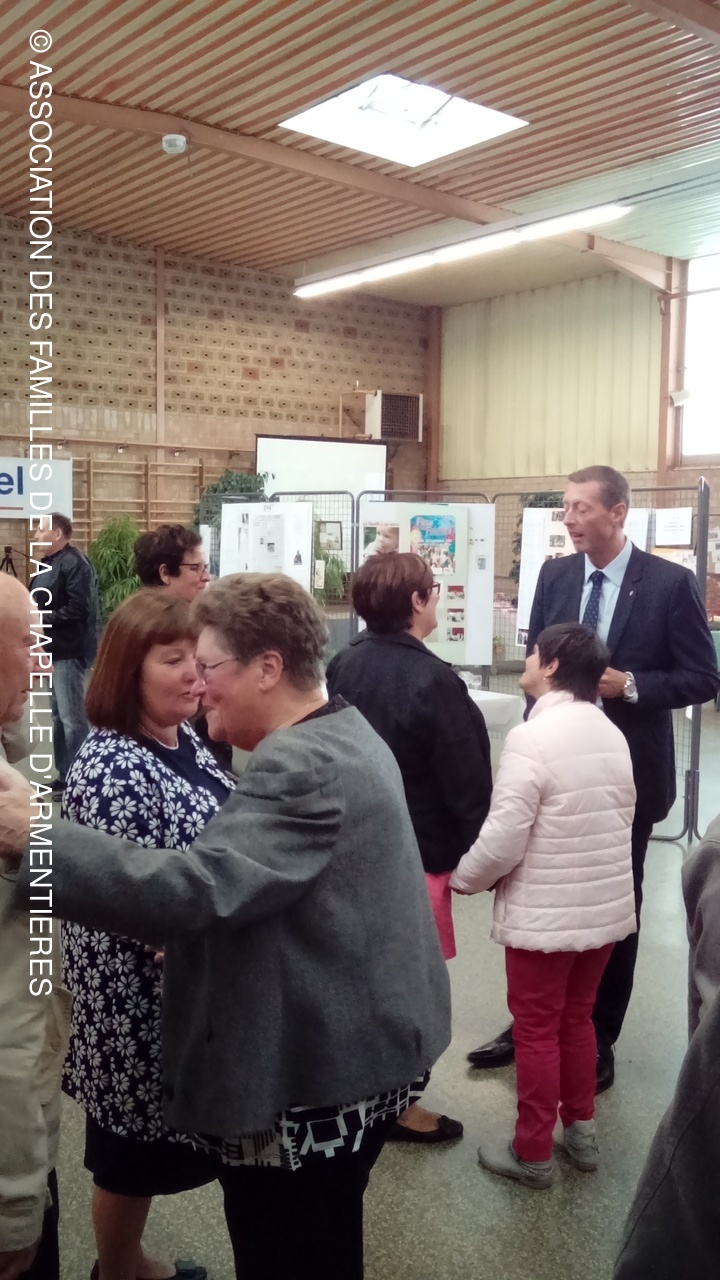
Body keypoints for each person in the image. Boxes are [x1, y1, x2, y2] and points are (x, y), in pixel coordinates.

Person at [3, 573, 451, 1280]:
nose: (200, 685)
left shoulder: (300, 763)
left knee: (292, 1251)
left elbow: (199, 888)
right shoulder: (341, 730)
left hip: (317, 1087)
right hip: (366, 1056)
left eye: (208, 666)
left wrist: (35, 839)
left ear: (267, 668)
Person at [468, 466, 720, 1091]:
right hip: (551, 773)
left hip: (622, 780)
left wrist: (628, 685)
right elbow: (537, 667)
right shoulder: (555, 576)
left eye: (582, 507)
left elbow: (703, 677)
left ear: (618, 512)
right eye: (566, 507)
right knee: (541, 897)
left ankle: (596, 1036)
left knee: (614, 907)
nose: (570, 519)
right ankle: (533, 1024)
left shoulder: (668, 584)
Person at [61, 589, 231, 1280]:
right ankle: (117, 1269)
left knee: (145, 1143)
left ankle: (127, 1263)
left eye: (199, 658)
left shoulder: (183, 735)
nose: (195, 674)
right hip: (135, 994)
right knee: (127, 1153)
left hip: (180, 979)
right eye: (174, 660)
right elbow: (125, 896)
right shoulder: (114, 766)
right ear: (129, 671)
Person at [451, 622, 636, 1189]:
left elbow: (505, 837)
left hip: (545, 918)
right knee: (577, 1019)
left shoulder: (532, 738)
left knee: (534, 1030)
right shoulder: (612, 733)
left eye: (533, 654)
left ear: (552, 665)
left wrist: (464, 878)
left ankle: (532, 1152)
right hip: (604, 910)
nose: (527, 661)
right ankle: (581, 1132)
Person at [327, 552, 492, 1142]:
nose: (436, 599)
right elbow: (466, 781)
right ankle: (399, 1102)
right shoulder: (436, 682)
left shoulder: (342, 665)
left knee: (358, 973)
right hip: (416, 857)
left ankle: (360, 1085)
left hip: (346, 848)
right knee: (408, 984)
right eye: (432, 590)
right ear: (418, 601)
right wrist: (479, 855)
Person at [0, 575, 71, 1280]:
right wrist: (14, 1204)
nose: (43, 661)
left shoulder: (12, 761)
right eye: (30, 643)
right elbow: (8, 1026)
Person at [134, 525, 233, 773]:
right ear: (165, 573)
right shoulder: (139, 631)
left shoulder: (202, 621)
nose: (206, 577)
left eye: (205, 567)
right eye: (195, 568)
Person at [29, 513, 98, 800]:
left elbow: (79, 608)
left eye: (40, 529)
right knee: (58, 717)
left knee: (72, 719)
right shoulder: (48, 563)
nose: (35, 535)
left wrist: (40, 618)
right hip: (51, 650)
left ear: (57, 533)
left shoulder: (74, 563)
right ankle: (65, 775)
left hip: (68, 652)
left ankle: (81, 783)